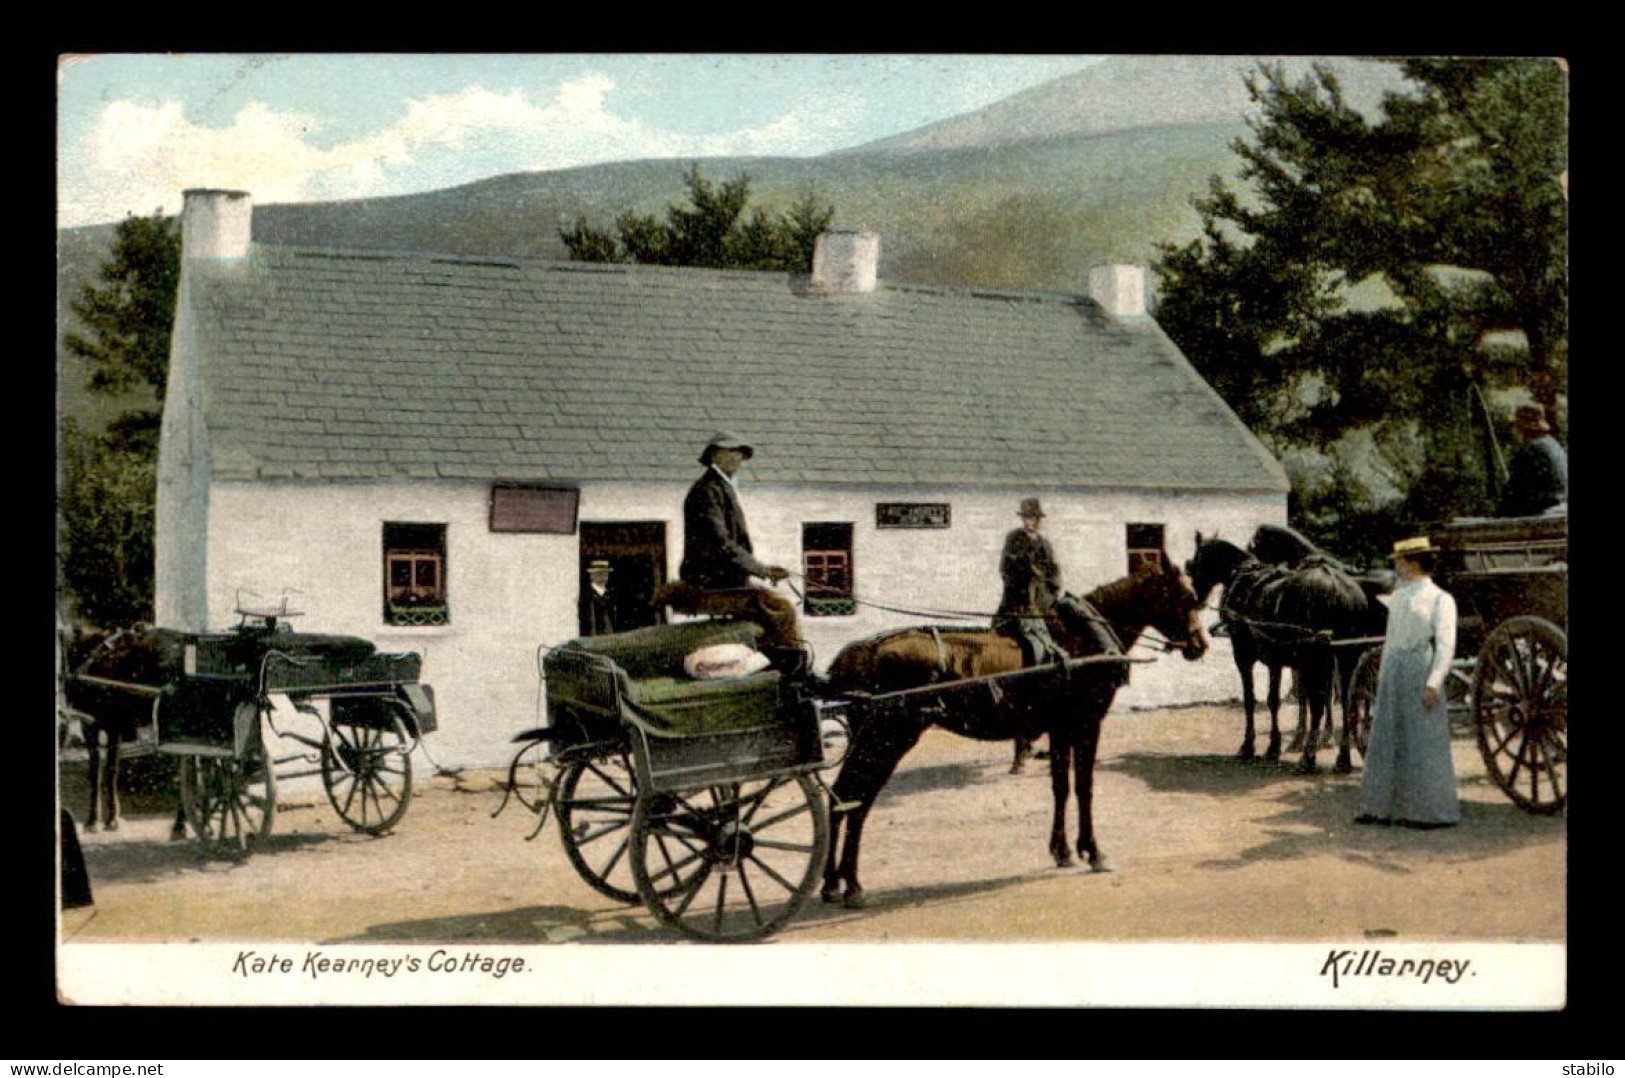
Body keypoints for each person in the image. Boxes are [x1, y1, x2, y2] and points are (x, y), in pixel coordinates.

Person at [1356, 536, 1460, 829]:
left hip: (1420, 670)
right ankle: (1380, 807)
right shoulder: (1398, 597)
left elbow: (1445, 644)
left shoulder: (1441, 599)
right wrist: (1382, 678)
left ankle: (1426, 812)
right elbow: (1390, 641)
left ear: (1414, 562)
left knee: (1421, 737)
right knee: (1387, 737)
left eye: (1400, 562)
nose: (1397, 567)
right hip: (1395, 671)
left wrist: (1434, 683)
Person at [673, 432, 803, 665]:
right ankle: (793, 670)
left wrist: (763, 569)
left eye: (740, 453)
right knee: (782, 609)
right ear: (714, 455)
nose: (737, 457)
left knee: (771, 609)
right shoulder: (707, 490)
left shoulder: (721, 486)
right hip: (710, 579)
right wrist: (761, 570)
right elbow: (720, 543)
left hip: (723, 577)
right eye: (731, 451)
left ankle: (772, 662)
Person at [993, 497, 1064, 668]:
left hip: (1042, 603)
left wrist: (1050, 592)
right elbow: (1005, 569)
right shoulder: (1014, 540)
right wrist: (1025, 578)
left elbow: (1054, 574)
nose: (1034, 522)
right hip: (1017, 602)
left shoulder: (1045, 545)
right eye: (1030, 517)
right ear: (1023, 519)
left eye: (1036, 518)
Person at [1499, 402, 1567, 517]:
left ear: (1522, 427)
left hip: (1541, 513)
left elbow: (1514, 493)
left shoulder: (1529, 450)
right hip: (1561, 508)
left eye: (1516, 426)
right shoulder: (1554, 445)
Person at [580, 559, 616, 636]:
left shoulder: (611, 595)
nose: (603, 577)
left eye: (605, 574)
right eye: (599, 574)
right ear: (591, 575)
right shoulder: (586, 595)